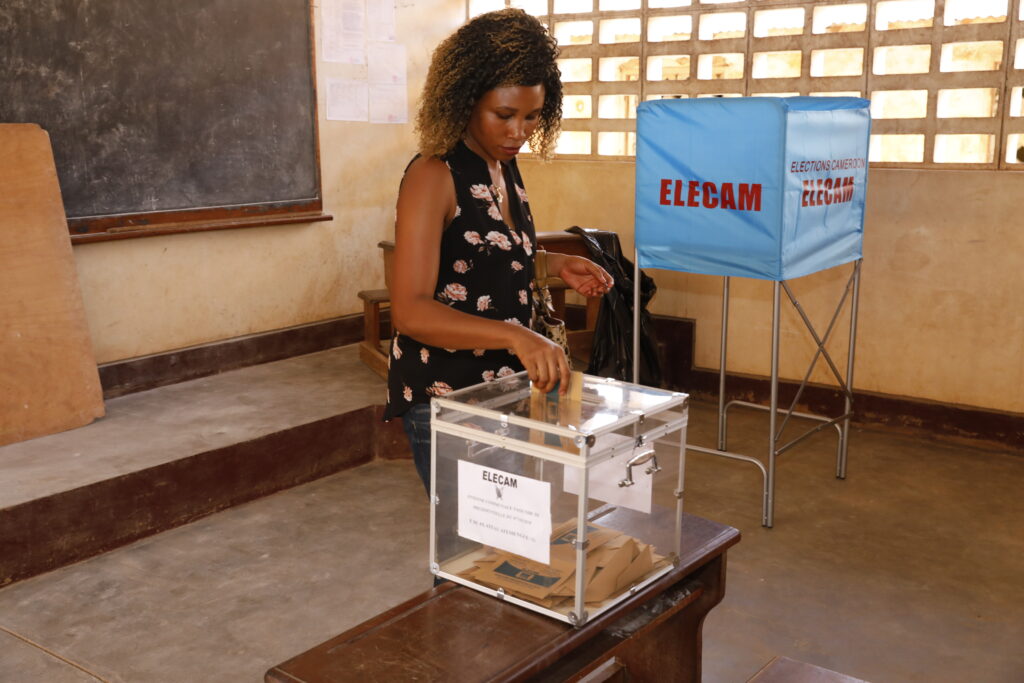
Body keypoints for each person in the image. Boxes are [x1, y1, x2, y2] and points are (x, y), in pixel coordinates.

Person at [384, 9, 614, 494]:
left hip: (504, 390)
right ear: (465, 100)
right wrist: (517, 336)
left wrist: (553, 266)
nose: (519, 132)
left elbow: (486, 263)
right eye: (504, 115)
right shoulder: (434, 175)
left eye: (533, 116)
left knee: (504, 551)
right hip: (449, 397)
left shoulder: (502, 166)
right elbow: (409, 310)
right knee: (469, 556)